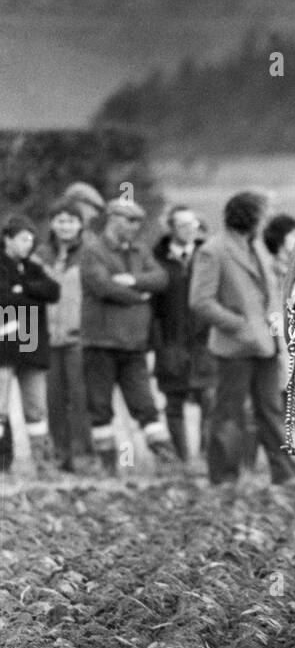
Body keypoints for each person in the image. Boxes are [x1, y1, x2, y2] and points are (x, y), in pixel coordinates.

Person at [189, 191, 294, 486]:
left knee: (272, 411)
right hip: (234, 347)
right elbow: (201, 301)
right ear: (249, 217)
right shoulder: (214, 250)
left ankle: (284, 475)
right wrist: (240, 324)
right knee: (228, 415)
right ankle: (223, 477)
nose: (267, 218)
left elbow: (269, 290)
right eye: (263, 213)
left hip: (267, 344)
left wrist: (274, 318)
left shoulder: (256, 246)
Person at [80, 197, 174, 472]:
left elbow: (161, 279)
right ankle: (109, 465)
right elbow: (102, 286)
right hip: (100, 342)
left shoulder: (140, 251)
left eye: (138, 222)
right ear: (113, 218)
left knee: (145, 404)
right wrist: (140, 296)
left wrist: (133, 281)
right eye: (129, 220)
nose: (135, 227)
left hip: (134, 344)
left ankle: (165, 460)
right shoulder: (93, 251)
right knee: (100, 407)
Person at [150, 205, 214, 461]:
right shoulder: (156, 259)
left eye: (194, 225)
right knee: (173, 404)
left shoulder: (206, 256)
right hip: (170, 341)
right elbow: (151, 307)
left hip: (204, 342)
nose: (191, 230)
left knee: (209, 399)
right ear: (171, 228)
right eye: (184, 225)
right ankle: (182, 458)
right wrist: (158, 344)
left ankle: (207, 455)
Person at [0, 213, 60, 475]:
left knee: (36, 409)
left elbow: (53, 291)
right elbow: (4, 298)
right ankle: (3, 465)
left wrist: (20, 289)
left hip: (31, 346)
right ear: (8, 239)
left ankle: (44, 464)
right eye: (23, 239)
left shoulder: (33, 267)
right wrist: (26, 296)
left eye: (31, 240)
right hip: (3, 347)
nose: (28, 245)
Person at [40, 199, 93, 471]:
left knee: (81, 398)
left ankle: (83, 455)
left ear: (80, 225)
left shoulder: (90, 254)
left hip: (79, 338)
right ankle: (59, 455)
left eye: (71, 220)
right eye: (60, 220)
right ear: (52, 224)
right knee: (53, 400)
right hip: (47, 339)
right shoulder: (40, 255)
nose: (65, 226)